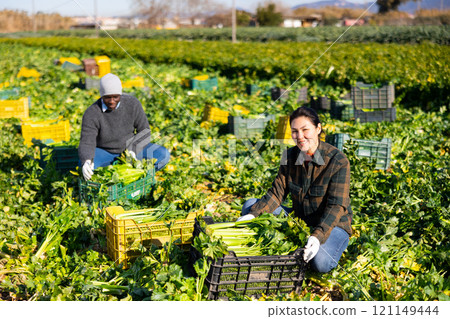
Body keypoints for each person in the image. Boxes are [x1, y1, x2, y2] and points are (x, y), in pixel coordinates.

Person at [238, 106, 352, 273]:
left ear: (318, 129)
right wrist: (253, 214)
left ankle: (331, 243)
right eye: (294, 131)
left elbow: (336, 206)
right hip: (301, 220)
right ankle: (302, 244)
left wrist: (317, 236)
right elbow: (277, 193)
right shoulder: (290, 155)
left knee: (321, 263)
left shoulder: (337, 161)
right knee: (250, 205)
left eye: (305, 130)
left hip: (333, 224)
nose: (300, 137)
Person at [78, 73, 170, 181]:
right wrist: (87, 160)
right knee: (85, 167)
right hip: (105, 152)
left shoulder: (133, 104)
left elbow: (145, 131)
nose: (112, 101)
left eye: (115, 97)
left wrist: (132, 150)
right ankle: (113, 178)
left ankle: (139, 177)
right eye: (107, 97)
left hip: (130, 150)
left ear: (120, 94)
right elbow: (87, 141)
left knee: (163, 155)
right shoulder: (92, 112)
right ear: (101, 95)